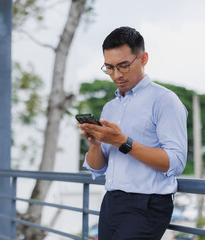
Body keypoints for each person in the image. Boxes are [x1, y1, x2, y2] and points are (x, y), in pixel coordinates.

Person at [78, 26, 188, 239]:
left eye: (124, 66)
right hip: (110, 202)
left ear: (143, 58)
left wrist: (123, 142)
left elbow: (175, 162)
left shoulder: (165, 101)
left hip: (146, 205)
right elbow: (98, 169)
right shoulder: (110, 108)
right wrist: (95, 142)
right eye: (109, 68)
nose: (116, 75)